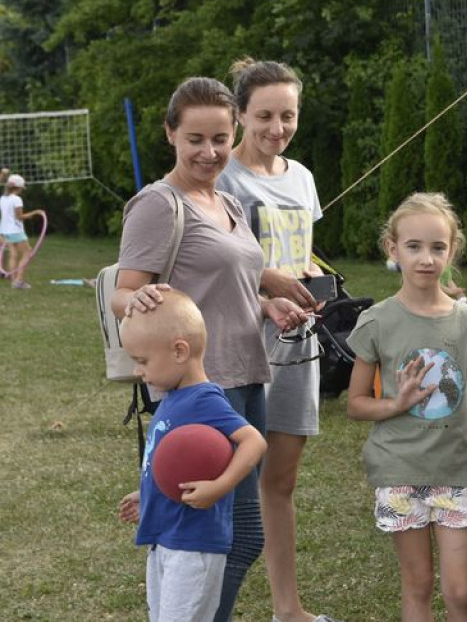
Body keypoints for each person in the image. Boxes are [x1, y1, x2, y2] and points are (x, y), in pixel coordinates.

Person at [112, 77, 309, 622]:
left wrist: (266, 304)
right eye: (195, 138)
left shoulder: (227, 201)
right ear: (170, 134)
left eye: (220, 139)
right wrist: (136, 298)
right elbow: (124, 293)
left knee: (230, 532)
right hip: (198, 386)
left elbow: (228, 284)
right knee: (228, 533)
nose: (209, 151)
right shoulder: (158, 204)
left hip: (246, 373)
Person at [214, 58, 337, 622]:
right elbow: (211, 261)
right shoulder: (222, 176)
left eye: (288, 115)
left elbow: (297, 251)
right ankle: (206, 605)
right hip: (239, 344)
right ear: (240, 114)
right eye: (264, 115)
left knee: (280, 482)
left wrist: (311, 280)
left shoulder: (302, 177)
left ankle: (288, 609)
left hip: (296, 347)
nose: (277, 127)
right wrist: (270, 283)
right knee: (227, 484)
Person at [346, 192, 467, 622]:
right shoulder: (377, 321)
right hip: (398, 472)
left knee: (461, 592)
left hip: (455, 474)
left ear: (452, 250)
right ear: (393, 249)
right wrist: (398, 403)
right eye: (413, 246)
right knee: (418, 586)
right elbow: (356, 404)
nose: (426, 259)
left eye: (437, 247)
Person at [116, 290, 267, 622]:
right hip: (166, 538)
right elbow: (177, 465)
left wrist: (220, 486)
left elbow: (253, 441)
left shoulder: (204, 399)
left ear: (179, 351)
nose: (139, 371)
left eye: (143, 361)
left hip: (194, 544)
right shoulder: (172, 397)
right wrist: (148, 493)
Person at [0, 174, 45, 289]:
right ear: (19, 187)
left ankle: (14, 281)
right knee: (27, 252)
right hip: (15, 230)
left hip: (5, 230)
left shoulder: (3, 198)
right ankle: (18, 281)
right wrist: (36, 212)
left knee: (14, 254)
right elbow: (19, 217)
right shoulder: (16, 199)